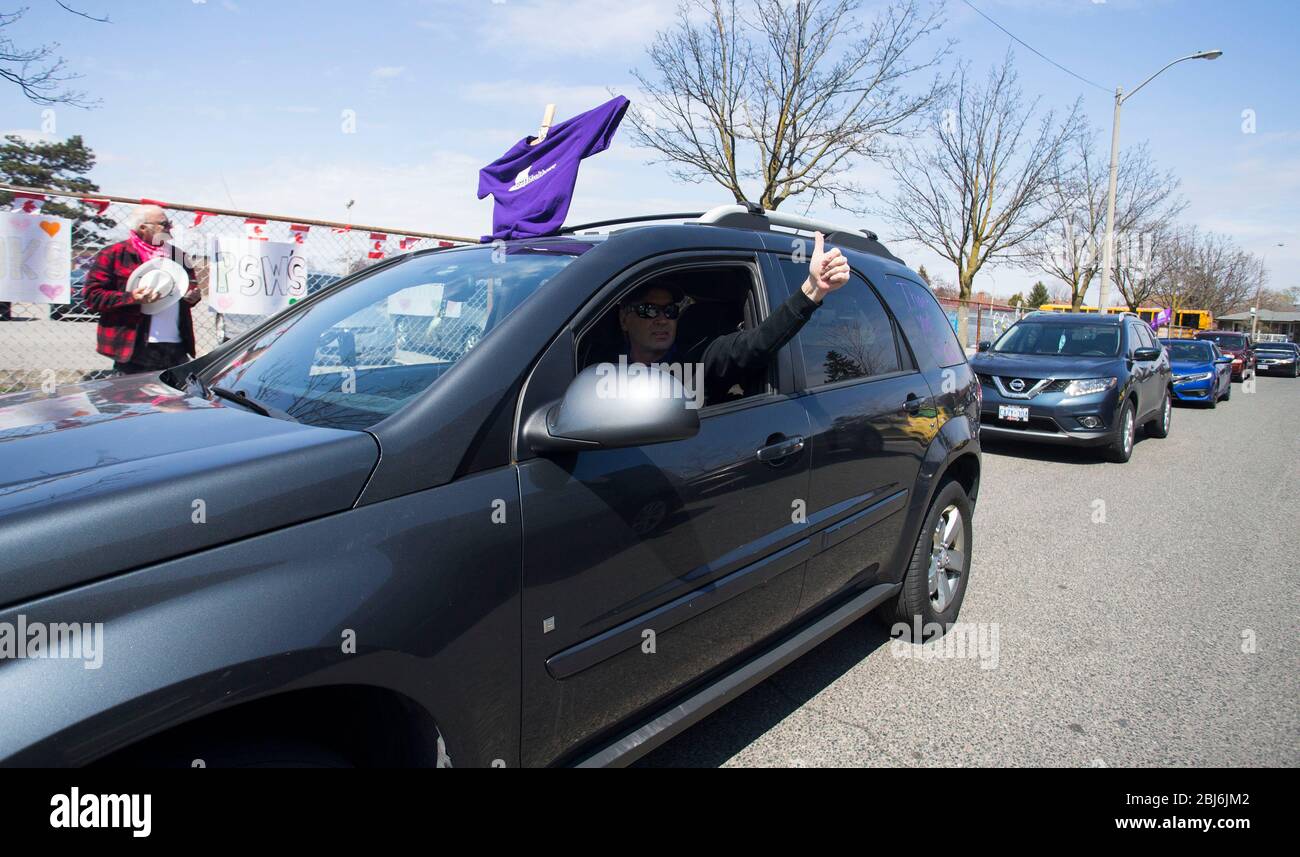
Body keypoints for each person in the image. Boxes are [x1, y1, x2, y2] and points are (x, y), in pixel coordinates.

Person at [616, 231, 850, 400]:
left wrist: (811, 290)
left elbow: (756, 342)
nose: (662, 319)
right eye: (648, 310)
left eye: (670, 310)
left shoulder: (699, 359)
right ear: (624, 319)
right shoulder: (600, 364)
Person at [82, 205, 202, 375]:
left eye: (170, 223)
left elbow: (191, 286)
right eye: (164, 224)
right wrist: (131, 297)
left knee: (175, 399)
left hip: (176, 345)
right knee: (133, 397)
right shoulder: (114, 253)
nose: (170, 227)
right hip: (135, 346)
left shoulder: (179, 256)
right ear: (143, 227)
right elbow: (93, 297)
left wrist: (192, 296)